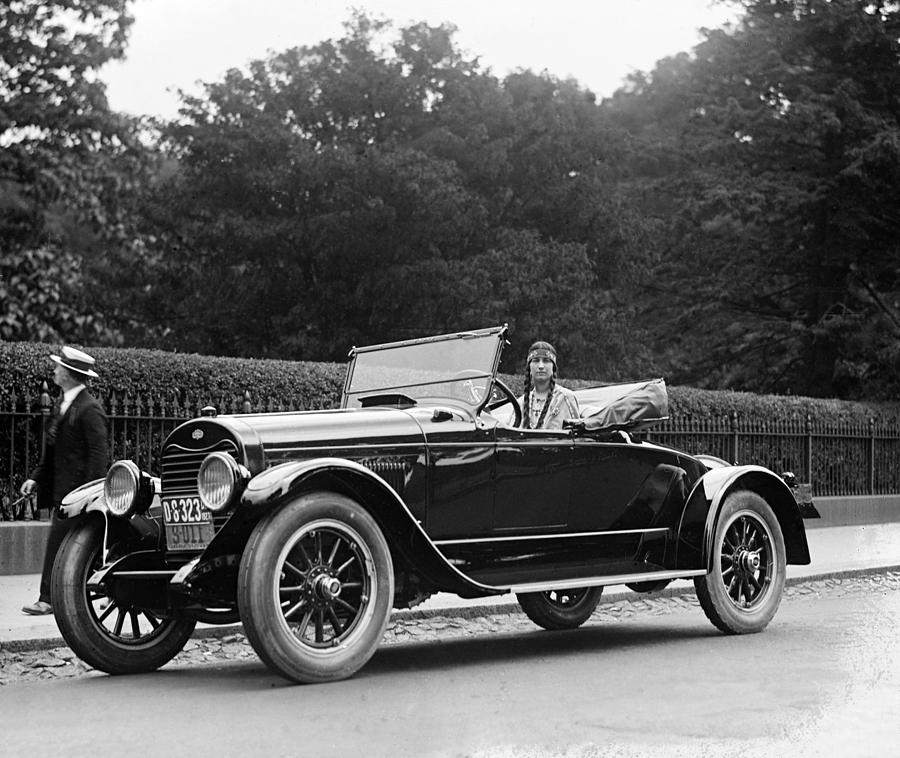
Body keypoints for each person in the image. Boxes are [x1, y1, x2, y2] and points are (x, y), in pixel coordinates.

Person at [20, 346, 108, 615]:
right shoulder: (63, 404)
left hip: (77, 495)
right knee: (68, 546)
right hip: (64, 492)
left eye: (59, 367)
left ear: (69, 375)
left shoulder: (89, 409)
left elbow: (98, 456)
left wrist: (89, 496)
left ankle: (48, 599)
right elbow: (54, 450)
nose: (55, 370)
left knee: (64, 545)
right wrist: (35, 479)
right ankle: (61, 596)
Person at [518, 340, 579, 430]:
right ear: (529, 368)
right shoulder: (521, 403)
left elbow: (576, 436)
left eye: (546, 361)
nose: (541, 366)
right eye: (536, 361)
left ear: (553, 368)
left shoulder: (566, 398)